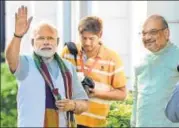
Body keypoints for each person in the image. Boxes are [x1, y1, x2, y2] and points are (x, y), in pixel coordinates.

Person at [5, 5, 88, 127]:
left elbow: (84, 103)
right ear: (33, 43)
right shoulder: (25, 63)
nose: (46, 42)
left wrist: (72, 105)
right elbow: (11, 60)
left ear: (57, 42)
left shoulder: (68, 67)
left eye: (50, 38)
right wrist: (18, 36)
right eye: (41, 38)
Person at [61, 16, 127, 127]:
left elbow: (122, 94)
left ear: (100, 35)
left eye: (91, 39)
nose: (87, 43)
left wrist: (95, 93)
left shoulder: (112, 58)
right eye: (83, 38)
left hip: (95, 123)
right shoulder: (68, 51)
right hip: (69, 121)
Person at [130, 14, 179, 127]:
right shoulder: (140, 61)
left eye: (153, 32)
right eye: (144, 33)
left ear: (166, 33)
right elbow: (136, 97)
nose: (147, 37)